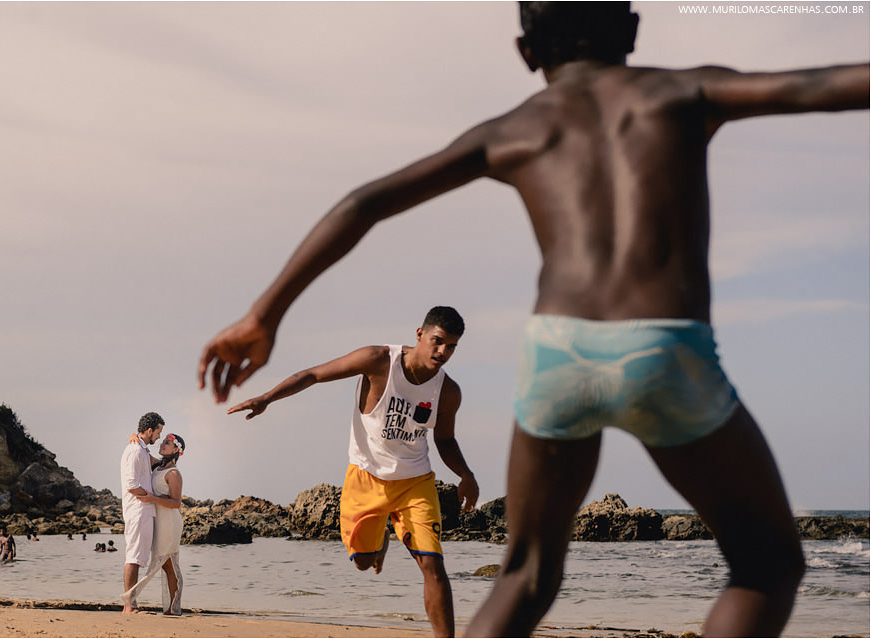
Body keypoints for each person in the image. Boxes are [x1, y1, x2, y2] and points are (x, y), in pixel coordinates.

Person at [198, 2, 868, 636]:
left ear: (525, 51)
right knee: (767, 562)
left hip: (559, 352)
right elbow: (824, 85)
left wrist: (266, 312)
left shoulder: (516, 128)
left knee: (525, 574)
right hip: (664, 345)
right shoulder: (681, 92)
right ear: (632, 29)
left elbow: (364, 202)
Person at [227, 306, 478, 637]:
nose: (443, 352)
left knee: (433, 565)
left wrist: (467, 475)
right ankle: (381, 538)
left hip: (414, 483)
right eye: (438, 341)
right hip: (365, 478)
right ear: (420, 334)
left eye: (452, 346)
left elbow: (445, 439)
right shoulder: (378, 361)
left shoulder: (447, 391)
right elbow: (314, 374)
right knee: (362, 561)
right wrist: (267, 398)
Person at [121, 433, 187, 616]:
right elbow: (141, 448)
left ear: (176, 450)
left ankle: (173, 608)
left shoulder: (173, 474)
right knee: (162, 562)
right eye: (163, 440)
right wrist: (134, 435)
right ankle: (169, 607)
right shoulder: (157, 465)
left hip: (169, 521)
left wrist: (152, 498)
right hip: (157, 520)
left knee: (168, 563)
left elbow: (176, 503)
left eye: (167, 443)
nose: (162, 443)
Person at [119, 411, 164, 614]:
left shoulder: (143, 450)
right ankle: (129, 606)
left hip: (144, 511)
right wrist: (149, 497)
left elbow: (156, 463)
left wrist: (174, 455)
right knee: (134, 557)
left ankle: (131, 604)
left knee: (138, 557)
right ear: (149, 430)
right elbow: (131, 484)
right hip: (138, 510)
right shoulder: (136, 451)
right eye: (158, 432)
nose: (159, 437)